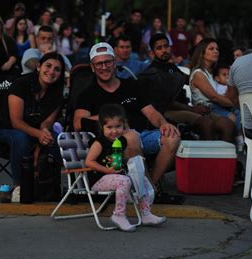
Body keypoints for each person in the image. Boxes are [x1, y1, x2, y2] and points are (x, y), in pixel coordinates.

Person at [73, 42, 181, 192]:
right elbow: (78, 123)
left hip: (142, 135)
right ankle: (149, 191)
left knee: (172, 136)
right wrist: (111, 119)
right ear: (92, 67)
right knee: (130, 137)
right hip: (113, 143)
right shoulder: (87, 94)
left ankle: (150, 187)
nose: (104, 67)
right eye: (99, 64)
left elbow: (150, 112)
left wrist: (163, 124)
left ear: (115, 62)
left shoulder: (131, 86)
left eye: (107, 62)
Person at [0, 52, 65, 202]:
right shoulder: (21, 84)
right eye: (48, 66)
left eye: (57, 69)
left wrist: (44, 133)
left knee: (55, 138)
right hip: (5, 129)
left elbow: (46, 122)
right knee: (21, 138)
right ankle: (19, 186)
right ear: (39, 67)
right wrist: (39, 134)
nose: (52, 71)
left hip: (34, 130)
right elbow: (16, 122)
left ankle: (51, 186)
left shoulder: (57, 91)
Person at [86, 103, 167, 232]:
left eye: (118, 126)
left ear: (124, 125)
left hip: (118, 176)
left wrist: (136, 163)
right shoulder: (99, 143)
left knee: (143, 179)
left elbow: (123, 159)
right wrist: (107, 170)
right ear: (102, 127)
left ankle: (145, 213)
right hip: (100, 179)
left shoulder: (122, 141)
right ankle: (118, 215)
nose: (114, 131)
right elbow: (89, 162)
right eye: (109, 127)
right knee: (125, 181)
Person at [141, 33, 220, 141]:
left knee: (224, 122)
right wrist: (193, 109)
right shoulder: (153, 73)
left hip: (185, 107)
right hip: (165, 112)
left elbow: (190, 80)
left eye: (166, 46)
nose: (164, 50)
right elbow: (167, 102)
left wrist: (206, 70)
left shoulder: (171, 67)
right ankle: (207, 156)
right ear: (152, 53)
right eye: (159, 48)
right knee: (206, 122)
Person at [189, 38, 238, 143]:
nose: (216, 51)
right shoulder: (198, 74)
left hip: (216, 106)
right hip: (207, 109)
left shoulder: (211, 73)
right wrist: (233, 103)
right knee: (232, 120)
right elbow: (214, 96)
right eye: (211, 49)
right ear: (202, 53)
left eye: (217, 49)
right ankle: (223, 155)